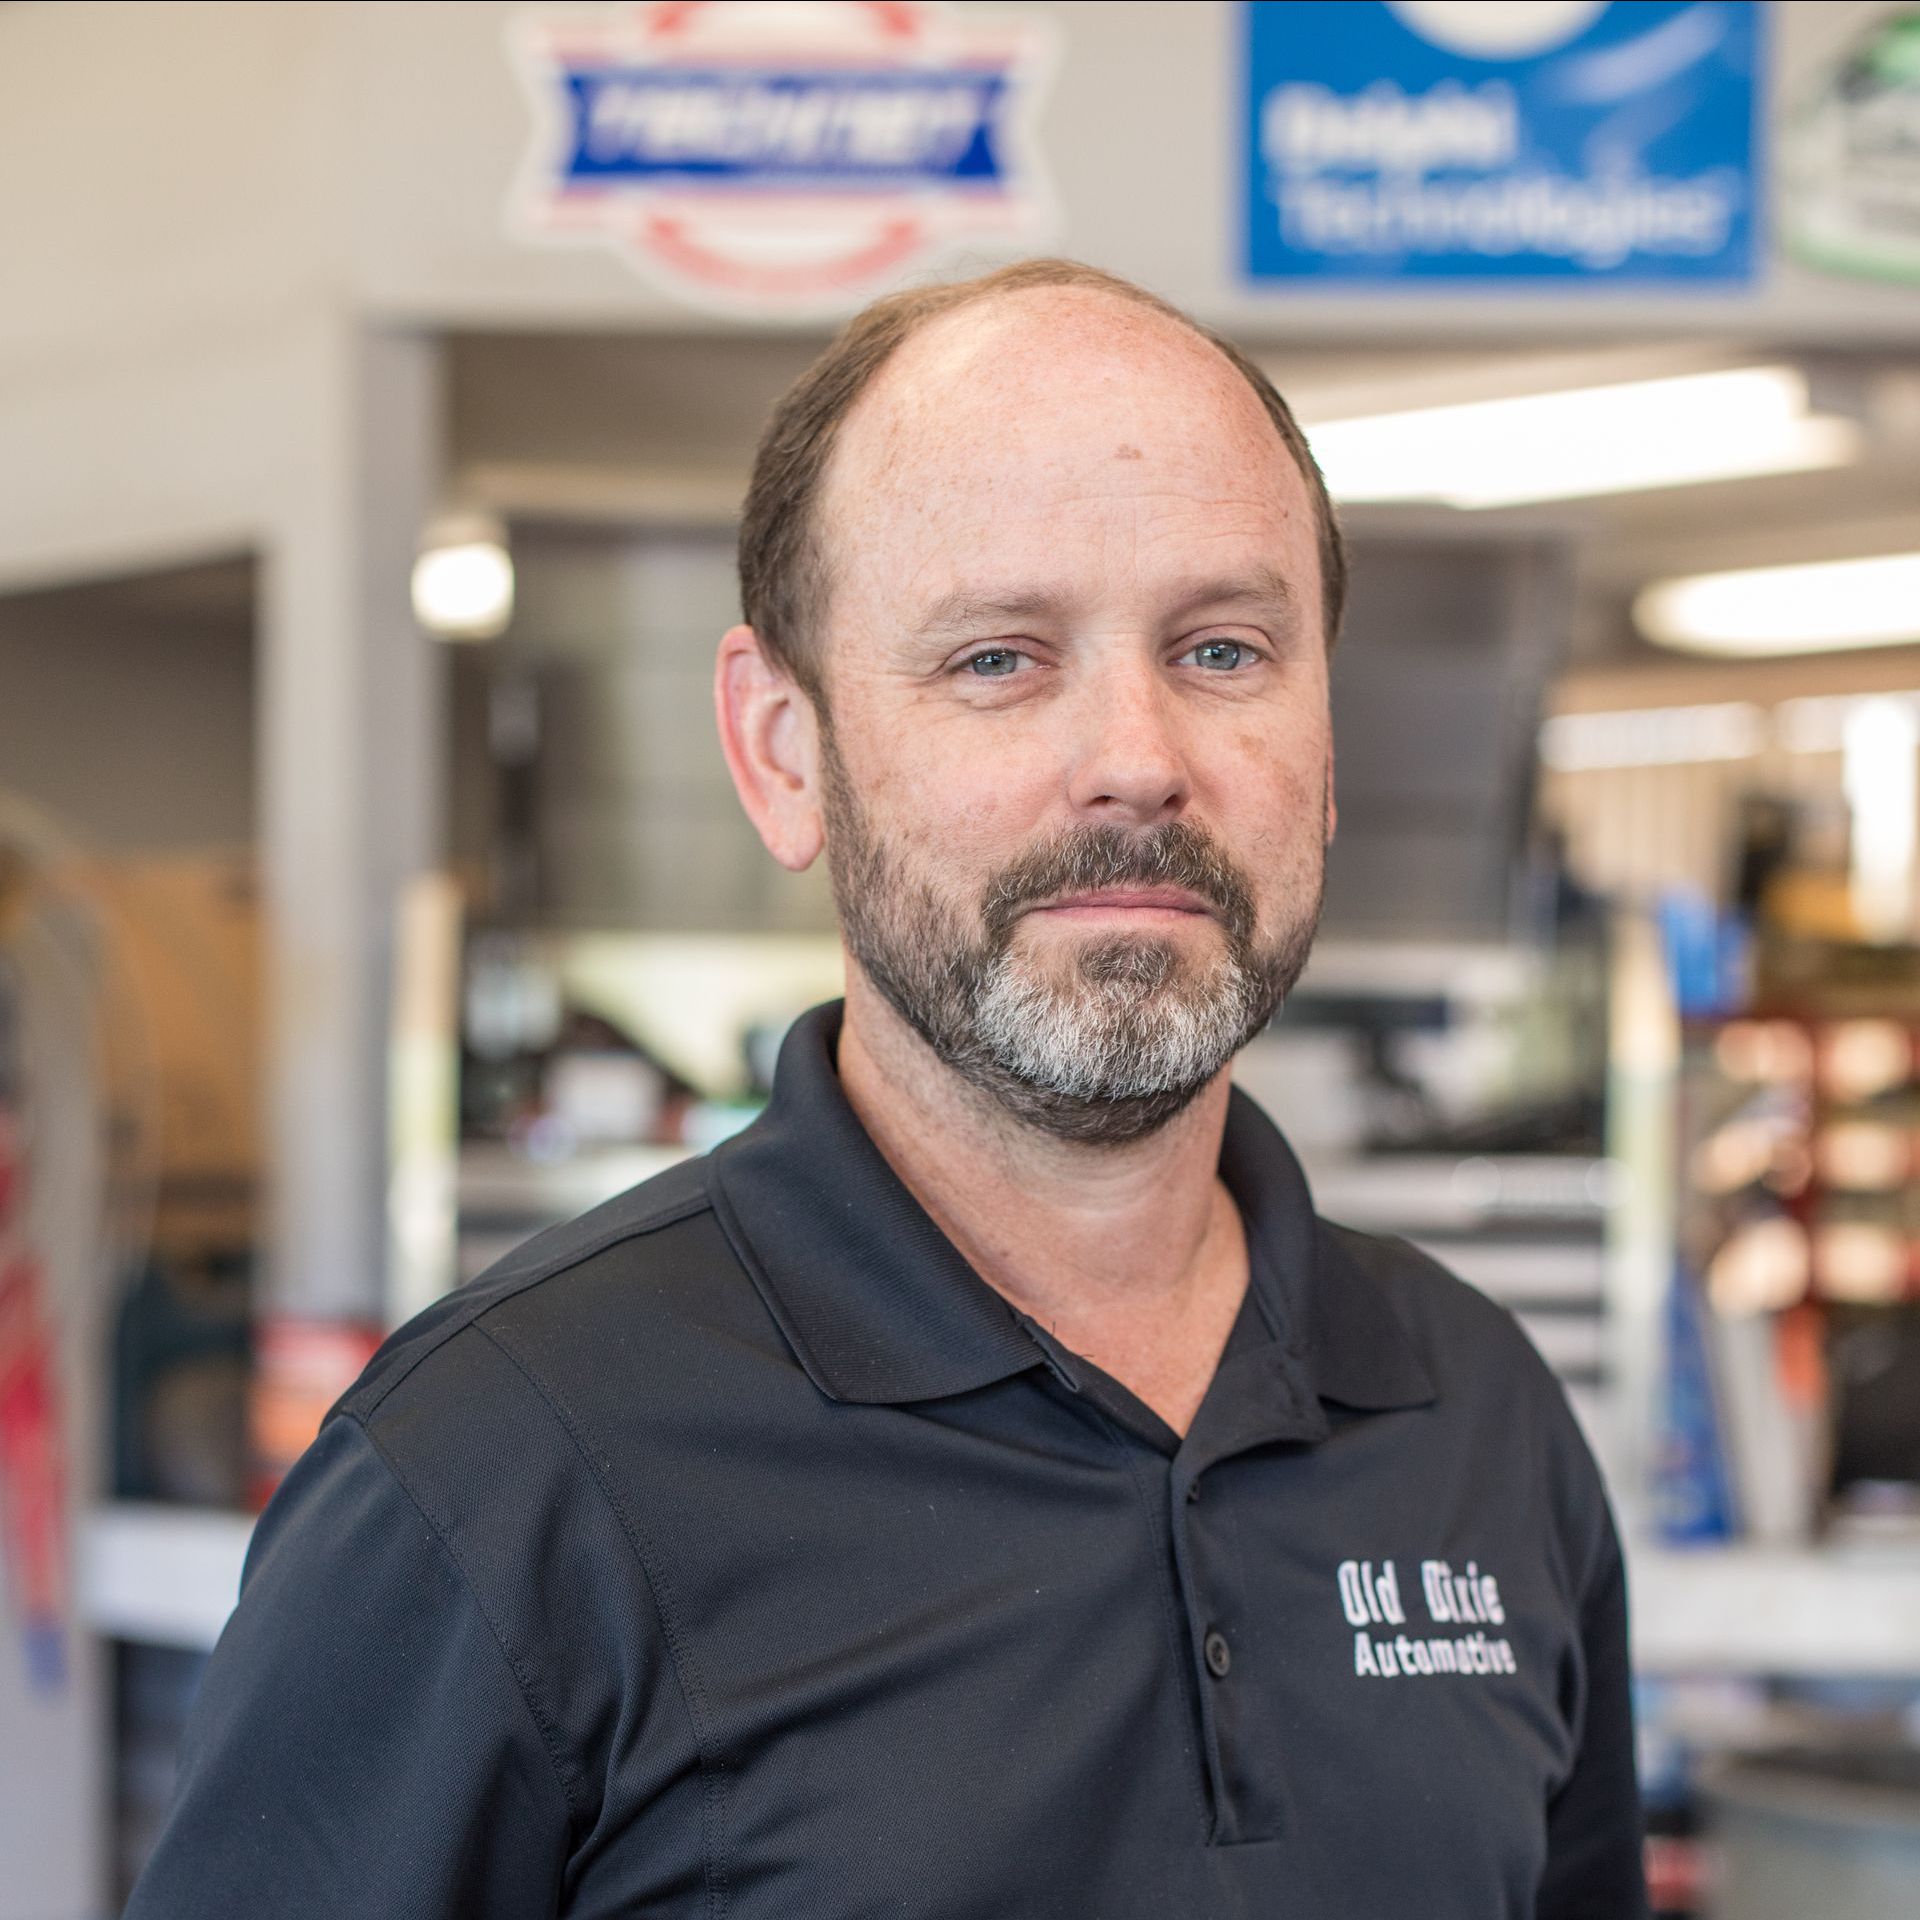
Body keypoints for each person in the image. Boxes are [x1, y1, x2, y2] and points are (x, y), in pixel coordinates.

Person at [126, 259, 1648, 1918]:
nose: (1139, 753)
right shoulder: (493, 1476)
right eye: (999, 658)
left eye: (1222, 649)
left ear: (1329, 751)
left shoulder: (1478, 1414)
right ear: (785, 754)